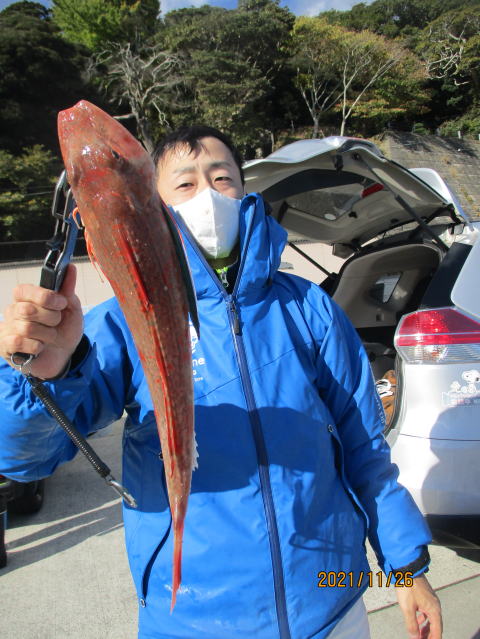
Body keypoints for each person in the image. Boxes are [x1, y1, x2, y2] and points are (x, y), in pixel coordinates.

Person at [0, 125, 442, 639]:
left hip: (332, 598)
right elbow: (21, 457)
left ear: (244, 191)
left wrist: (407, 570)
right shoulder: (120, 323)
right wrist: (42, 372)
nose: (207, 195)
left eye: (222, 177)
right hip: (191, 619)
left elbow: (365, 449)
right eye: (185, 184)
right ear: (152, 205)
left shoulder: (309, 308)